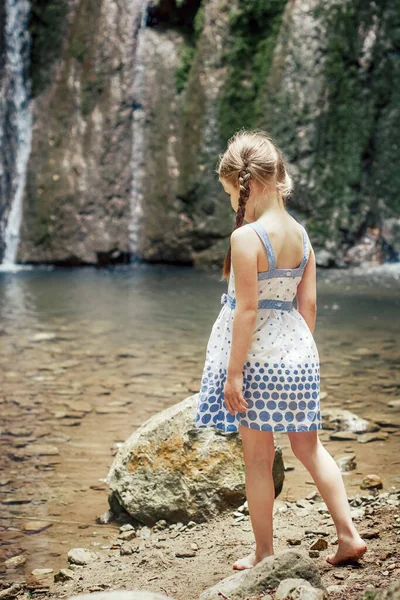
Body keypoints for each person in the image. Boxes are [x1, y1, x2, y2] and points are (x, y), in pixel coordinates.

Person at [194, 128, 367, 570]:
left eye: (232, 192)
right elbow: (307, 307)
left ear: (244, 185)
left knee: (257, 459)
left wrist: (234, 375)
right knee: (311, 449)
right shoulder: (302, 235)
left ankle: (264, 552)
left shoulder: (246, 238)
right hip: (298, 357)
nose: (234, 202)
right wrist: (295, 350)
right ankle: (348, 535)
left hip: (257, 363)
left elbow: (247, 313)